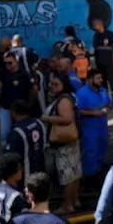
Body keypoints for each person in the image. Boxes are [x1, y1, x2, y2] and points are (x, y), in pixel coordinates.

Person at [42, 72, 83, 214]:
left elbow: (67, 119)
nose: (52, 87)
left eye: (56, 84)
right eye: (51, 84)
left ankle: (68, 205)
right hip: (70, 141)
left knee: (67, 176)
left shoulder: (64, 100)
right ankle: (75, 201)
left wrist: (47, 118)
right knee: (74, 173)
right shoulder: (67, 97)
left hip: (64, 142)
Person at [75, 69, 113, 177]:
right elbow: (78, 110)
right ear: (90, 80)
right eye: (98, 78)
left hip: (102, 126)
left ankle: (100, 170)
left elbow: (109, 103)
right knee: (90, 151)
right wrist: (93, 113)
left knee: (102, 146)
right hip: (89, 127)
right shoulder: (82, 93)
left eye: (101, 78)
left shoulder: (102, 90)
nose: (101, 80)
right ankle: (90, 176)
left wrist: (107, 108)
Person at [0, 53, 35, 150]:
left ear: (16, 61)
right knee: (4, 133)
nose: (8, 65)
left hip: (19, 109)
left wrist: (29, 104)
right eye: (5, 63)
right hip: (6, 107)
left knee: (23, 130)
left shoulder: (24, 73)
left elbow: (33, 89)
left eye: (10, 63)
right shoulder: (3, 73)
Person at [5, 99, 48, 180]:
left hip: (25, 178)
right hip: (41, 173)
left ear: (14, 113)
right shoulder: (39, 124)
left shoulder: (16, 132)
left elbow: (10, 158)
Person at [90, 17, 113, 109]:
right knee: (102, 84)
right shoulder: (95, 36)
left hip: (110, 64)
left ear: (100, 24)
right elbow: (94, 50)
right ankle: (106, 103)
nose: (93, 27)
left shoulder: (110, 34)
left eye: (94, 25)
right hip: (99, 64)